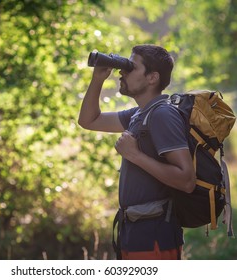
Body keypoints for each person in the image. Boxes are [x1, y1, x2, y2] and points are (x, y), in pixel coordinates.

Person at [78, 44, 196, 260]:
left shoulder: (162, 115)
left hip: (155, 235)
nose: (122, 71)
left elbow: (187, 180)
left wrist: (135, 155)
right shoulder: (139, 114)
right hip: (134, 231)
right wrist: (98, 79)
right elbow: (88, 120)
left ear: (152, 78)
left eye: (130, 67)